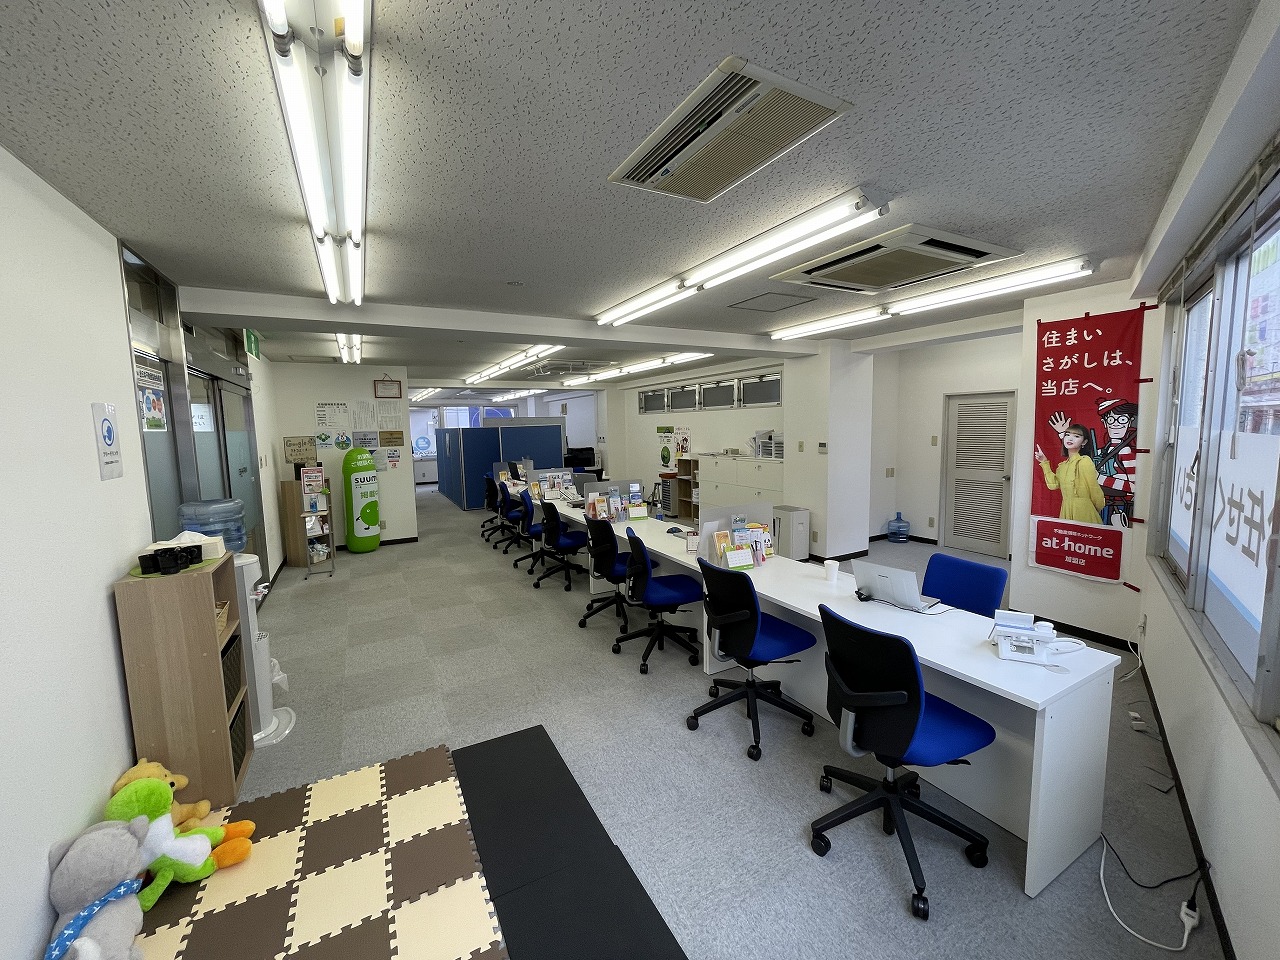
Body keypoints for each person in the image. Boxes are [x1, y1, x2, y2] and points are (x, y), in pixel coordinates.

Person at [1035, 424, 1105, 524]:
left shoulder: (1084, 461)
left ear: (1084, 442)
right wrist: (1044, 462)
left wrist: (1092, 509)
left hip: (1084, 511)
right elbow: (1053, 485)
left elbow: (1094, 489)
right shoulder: (1062, 466)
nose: (1070, 438)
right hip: (1066, 509)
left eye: (1076, 436)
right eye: (1067, 435)